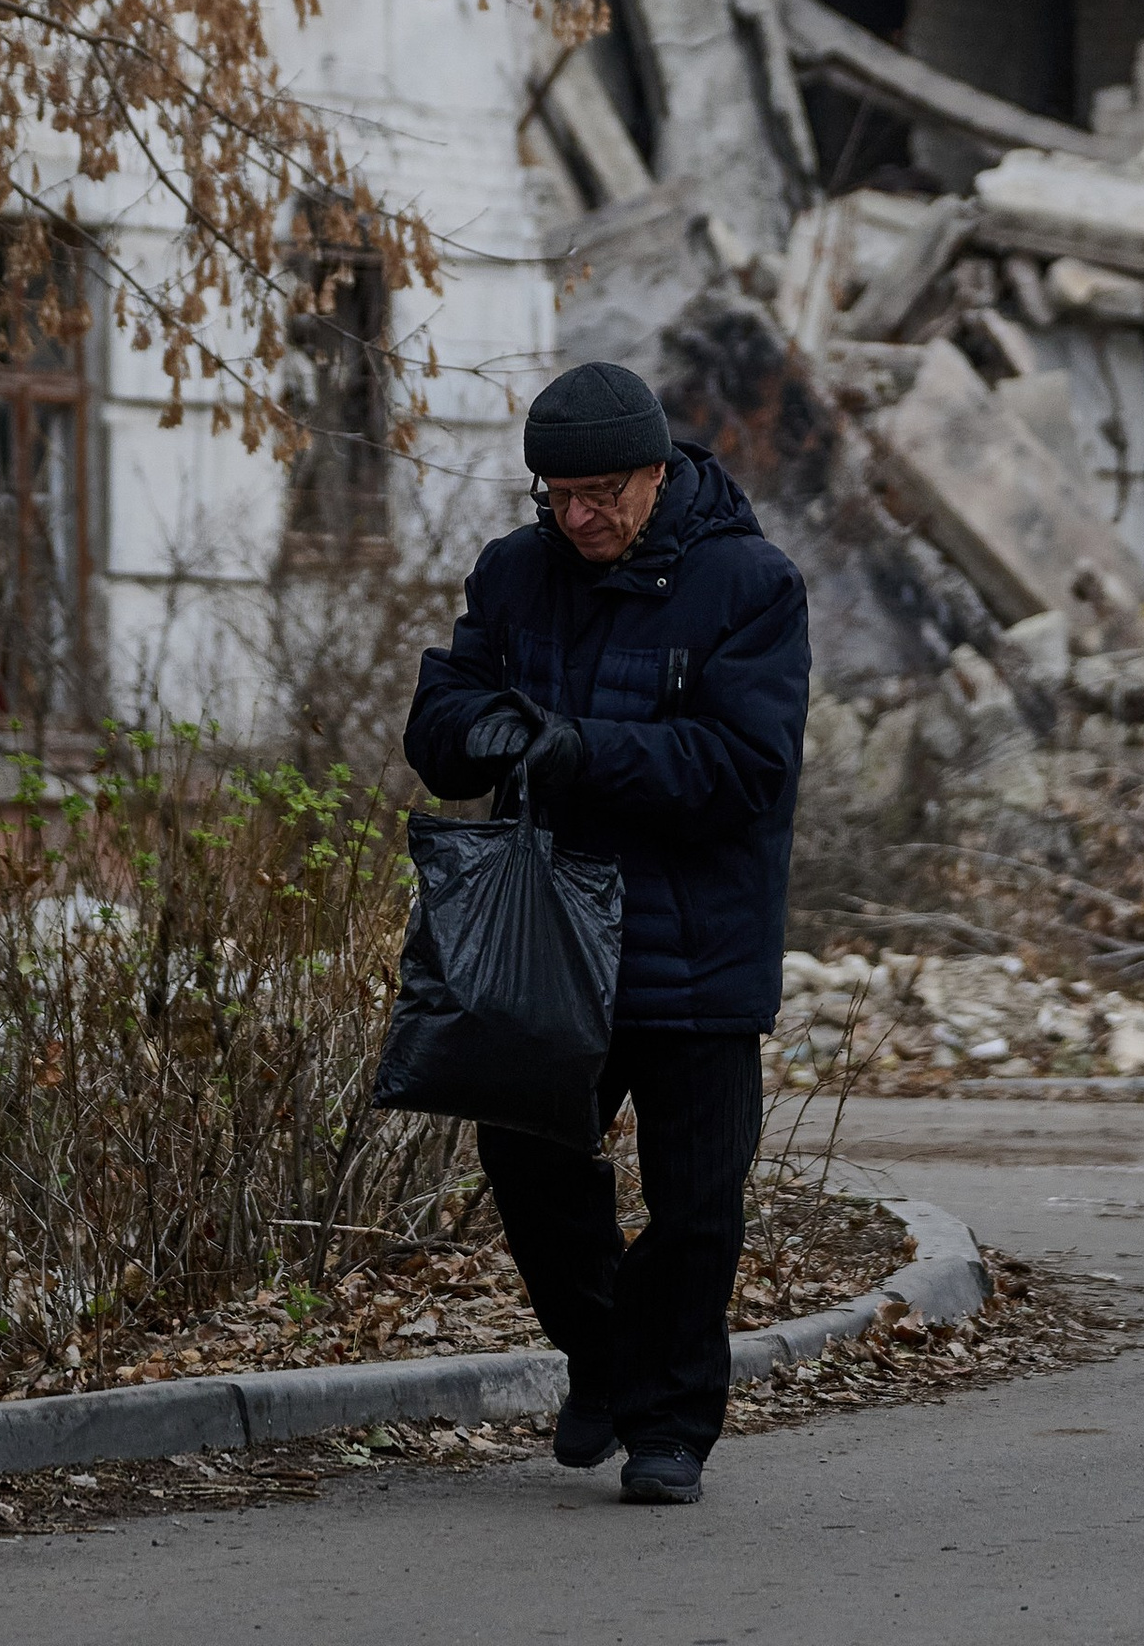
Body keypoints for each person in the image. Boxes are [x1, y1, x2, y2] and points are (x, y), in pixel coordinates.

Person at [403, 356, 811, 1508]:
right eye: (557, 496)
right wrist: (481, 732)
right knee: (527, 1164)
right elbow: (441, 716)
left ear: (655, 473)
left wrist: (585, 750)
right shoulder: (516, 572)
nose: (576, 518)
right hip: (544, 942)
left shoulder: (750, 586)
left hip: (697, 947)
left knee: (696, 1207)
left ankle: (670, 1428)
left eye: (599, 496)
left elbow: (747, 766)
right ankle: (608, 1357)